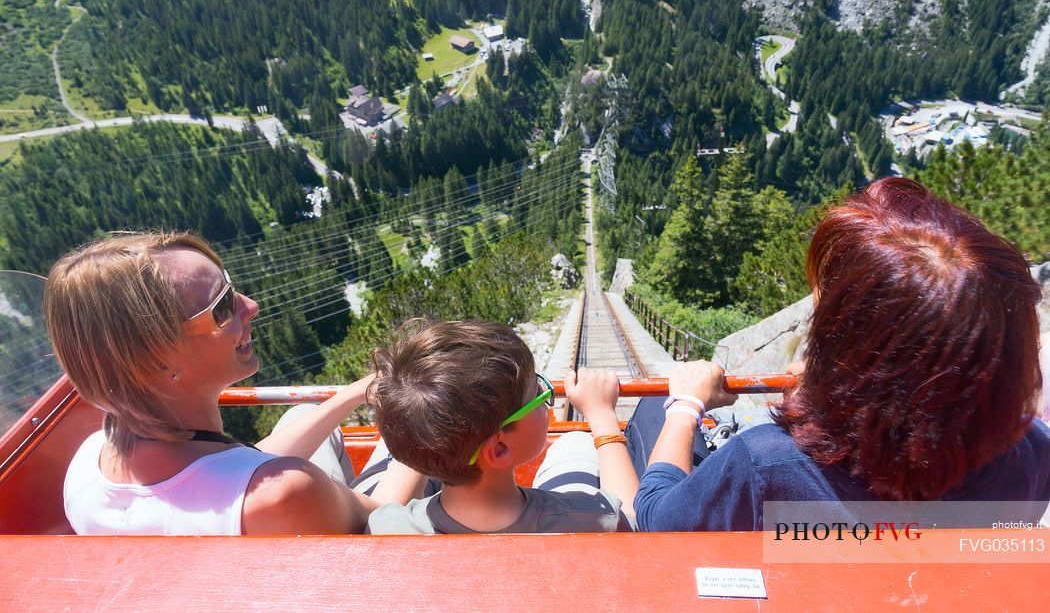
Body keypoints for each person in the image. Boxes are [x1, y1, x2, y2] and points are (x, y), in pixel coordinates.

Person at [634, 177, 1050, 531]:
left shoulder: (766, 464)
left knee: (652, 413)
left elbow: (656, 516)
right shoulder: (1031, 453)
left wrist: (685, 404)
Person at [46, 231, 421, 535]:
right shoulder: (282, 495)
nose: (251, 304)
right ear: (158, 361)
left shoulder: (87, 467)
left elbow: (231, 470)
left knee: (302, 414)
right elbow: (386, 514)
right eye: (223, 306)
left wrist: (354, 393)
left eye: (231, 286)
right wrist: (431, 407)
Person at [366, 319, 637, 534]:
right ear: (499, 449)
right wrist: (602, 417)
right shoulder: (590, 519)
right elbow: (634, 519)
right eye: (538, 393)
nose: (545, 397)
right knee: (575, 441)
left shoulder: (386, 526)